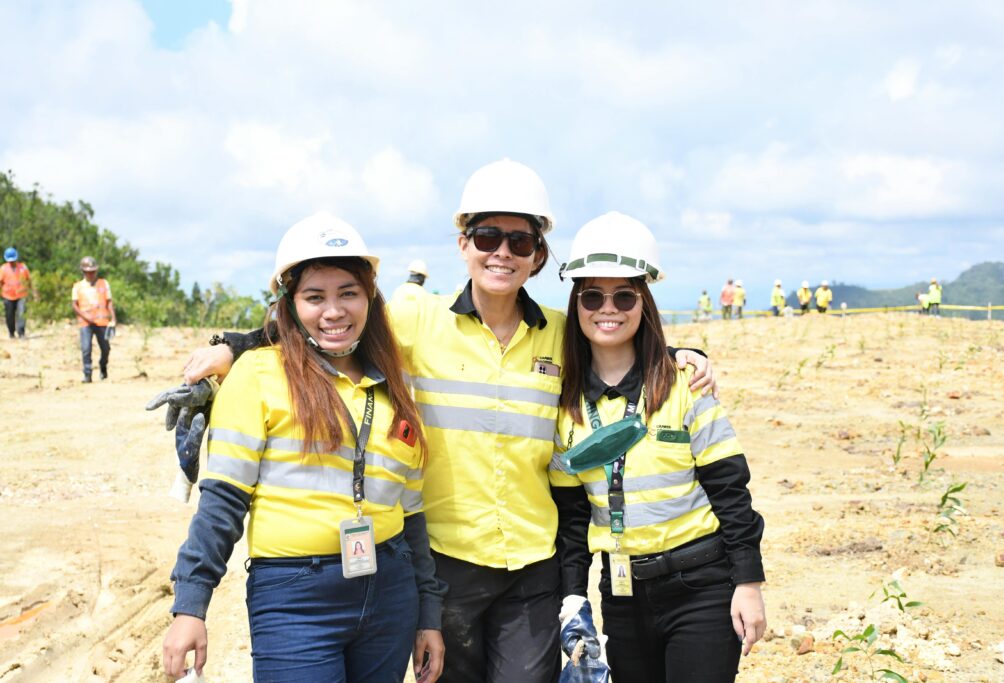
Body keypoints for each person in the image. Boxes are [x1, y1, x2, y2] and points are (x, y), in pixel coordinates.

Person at [170, 159, 718, 683]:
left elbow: (614, 335)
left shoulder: (560, 333)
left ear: (538, 255)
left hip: (533, 562)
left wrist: (682, 355)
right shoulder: (414, 316)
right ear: (463, 244)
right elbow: (334, 319)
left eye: (520, 241)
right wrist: (234, 348)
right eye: (486, 238)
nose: (501, 253)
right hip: (446, 561)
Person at [161, 213, 446, 682]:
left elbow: (412, 513)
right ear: (289, 305)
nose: (333, 311)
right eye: (315, 297)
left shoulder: (395, 386)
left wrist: (428, 612)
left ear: (370, 299)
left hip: (391, 592)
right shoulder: (257, 375)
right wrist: (191, 606)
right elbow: (223, 503)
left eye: (348, 293)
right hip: (296, 599)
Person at [550, 212, 765, 683]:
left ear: (643, 302)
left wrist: (748, 582)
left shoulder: (684, 383)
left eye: (624, 295)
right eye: (592, 296)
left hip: (701, 588)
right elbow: (572, 518)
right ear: (577, 303)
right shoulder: (564, 405)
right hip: (622, 595)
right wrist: (573, 598)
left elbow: (730, 489)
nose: (609, 308)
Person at [72, 256, 116, 382]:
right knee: (86, 348)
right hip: (85, 323)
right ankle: (87, 374)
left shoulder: (104, 283)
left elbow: (109, 303)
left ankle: (103, 367)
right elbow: (74, 305)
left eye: (93, 271)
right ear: (83, 272)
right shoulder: (77, 286)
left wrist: (113, 319)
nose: (91, 274)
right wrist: (85, 316)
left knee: (106, 348)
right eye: (88, 272)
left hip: (102, 322)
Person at [1, 247, 33, 339]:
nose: (11, 262)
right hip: (8, 296)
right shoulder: (3, 269)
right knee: (9, 315)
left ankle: (21, 333)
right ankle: (11, 332)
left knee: (21, 314)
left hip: (21, 295)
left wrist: (33, 292)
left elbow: (29, 280)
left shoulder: (23, 267)